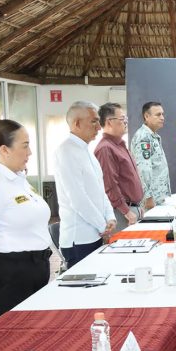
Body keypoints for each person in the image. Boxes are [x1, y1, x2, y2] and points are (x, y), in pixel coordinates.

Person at [0, 120, 51, 321]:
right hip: (10, 276)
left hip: (36, 267)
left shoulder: (18, 181)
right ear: (5, 150)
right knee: (12, 335)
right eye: (25, 146)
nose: (30, 152)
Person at [54, 102, 116, 268]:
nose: (99, 127)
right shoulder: (66, 151)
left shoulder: (86, 151)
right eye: (94, 121)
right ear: (77, 123)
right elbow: (78, 198)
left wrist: (110, 217)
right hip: (79, 239)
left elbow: (100, 190)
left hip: (95, 233)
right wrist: (102, 225)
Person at [94, 103, 145, 233]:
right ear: (109, 122)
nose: (126, 122)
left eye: (125, 118)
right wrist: (126, 211)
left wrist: (138, 207)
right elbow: (109, 185)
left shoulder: (119, 145)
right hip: (122, 213)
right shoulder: (105, 148)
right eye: (122, 119)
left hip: (133, 209)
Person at [131, 101, 170, 208]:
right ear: (147, 116)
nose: (162, 118)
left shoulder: (152, 136)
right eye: (158, 115)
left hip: (158, 198)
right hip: (150, 201)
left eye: (162, 114)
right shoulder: (144, 137)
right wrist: (148, 197)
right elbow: (143, 169)